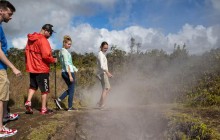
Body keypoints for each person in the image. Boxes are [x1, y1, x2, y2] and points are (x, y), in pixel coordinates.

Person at [24, 24, 57, 115]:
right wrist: (53, 60)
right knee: (45, 90)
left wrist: (29, 64)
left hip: (32, 68)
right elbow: (46, 55)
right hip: (42, 69)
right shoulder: (43, 40)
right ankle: (43, 109)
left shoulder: (30, 39)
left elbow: (26, 53)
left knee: (33, 86)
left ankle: (28, 101)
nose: (50, 35)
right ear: (45, 30)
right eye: (50, 32)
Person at [0, 0, 21, 137]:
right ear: (1, 11)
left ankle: (6, 115)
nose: (11, 16)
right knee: (0, 97)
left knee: (4, 92)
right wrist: (13, 67)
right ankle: (0, 128)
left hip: (2, 67)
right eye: (9, 13)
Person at [54, 35, 78, 111]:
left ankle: (60, 100)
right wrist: (70, 75)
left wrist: (75, 69)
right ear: (64, 43)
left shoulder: (62, 51)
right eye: (68, 44)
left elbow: (69, 63)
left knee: (71, 89)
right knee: (72, 90)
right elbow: (66, 63)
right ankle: (68, 106)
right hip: (68, 72)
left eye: (70, 44)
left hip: (65, 72)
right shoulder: (64, 51)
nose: (70, 45)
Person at [96, 41, 113, 108]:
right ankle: (101, 105)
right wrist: (108, 73)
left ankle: (100, 103)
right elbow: (102, 66)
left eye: (107, 48)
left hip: (103, 73)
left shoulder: (102, 54)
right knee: (106, 88)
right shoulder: (100, 54)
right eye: (104, 48)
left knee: (106, 88)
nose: (106, 49)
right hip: (103, 73)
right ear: (101, 47)